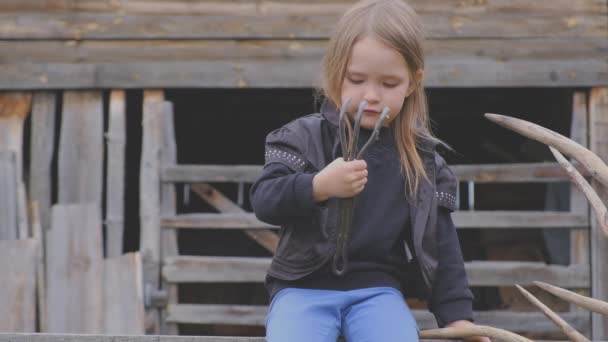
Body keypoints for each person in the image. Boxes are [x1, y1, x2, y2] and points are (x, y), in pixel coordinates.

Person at [250, 1, 490, 341]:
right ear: (336, 74)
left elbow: (441, 247)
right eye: (357, 79)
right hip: (301, 289)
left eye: (389, 83)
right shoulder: (301, 138)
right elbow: (264, 200)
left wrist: (458, 318)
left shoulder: (422, 162)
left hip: (379, 293)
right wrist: (317, 186)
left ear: (412, 82)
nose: (372, 95)